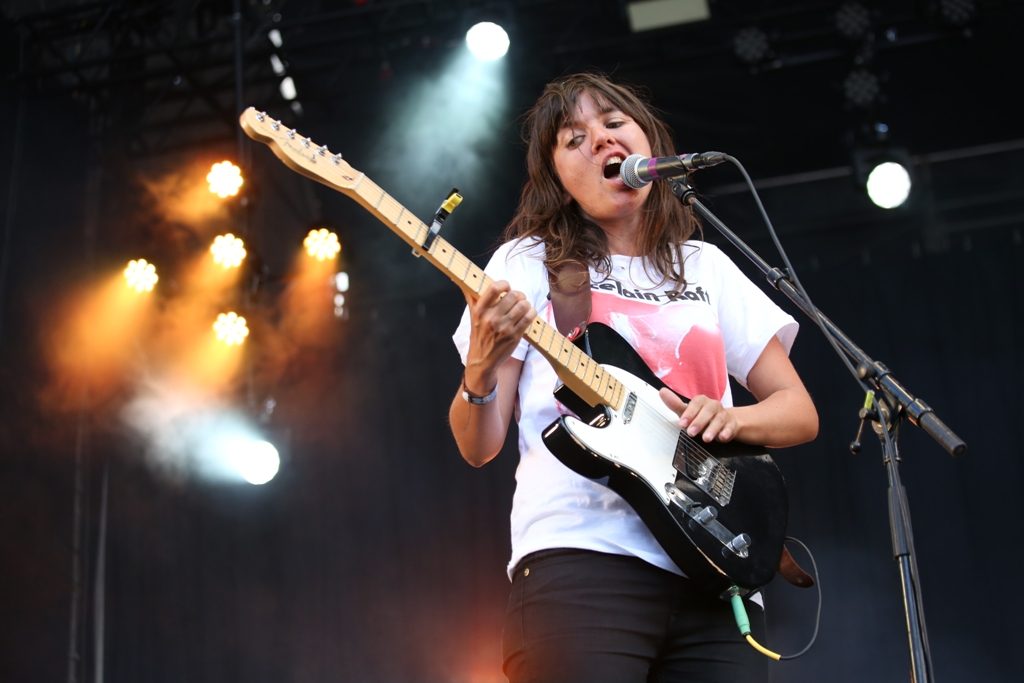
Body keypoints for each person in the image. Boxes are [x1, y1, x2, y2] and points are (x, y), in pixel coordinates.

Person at [448, 72, 819, 683]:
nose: (599, 140)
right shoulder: (527, 263)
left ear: (649, 143)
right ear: (557, 180)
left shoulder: (705, 264)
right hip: (582, 560)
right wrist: (481, 364)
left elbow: (798, 412)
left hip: (712, 565)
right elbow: (477, 445)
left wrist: (732, 416)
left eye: (614, 122)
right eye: (574, 139)